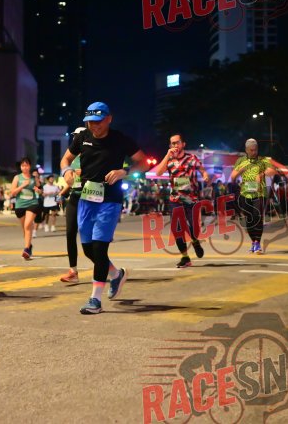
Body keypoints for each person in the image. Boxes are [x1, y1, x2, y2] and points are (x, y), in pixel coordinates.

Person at [60, 102, 148, 314]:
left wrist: (124, 171)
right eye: (90, 122)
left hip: (110, 200)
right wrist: (66, 171)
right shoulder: (81, 137)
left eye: (98, 121)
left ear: (109, 119)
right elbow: (66, 159)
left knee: (100, 248)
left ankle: (95, 300)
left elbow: (144, 162)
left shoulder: (120, 139)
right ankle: (116, 274)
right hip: (86, 199)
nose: (94, 126)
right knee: (89, 250)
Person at [153, 133, 210, 268]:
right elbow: (158, 173)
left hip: (191, 199)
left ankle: (195, 241)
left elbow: (202, 170)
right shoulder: (169, 160)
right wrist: (167, 155)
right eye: (172, 143)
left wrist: (205, 175)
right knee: (177, 229)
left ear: (183, 144)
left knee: (193, 228)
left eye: (177, 142)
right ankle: (185, 257)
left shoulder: (192, 158)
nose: (175, 145)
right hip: (175, 199)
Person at [230, 139, 288, 254]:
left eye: (256, 150)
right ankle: (253, 242)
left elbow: (273, 170)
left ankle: (257, 243)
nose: (254, 152)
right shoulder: (240, 161)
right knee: (249, 219)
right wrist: (240, 170)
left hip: (260, 193)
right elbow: (232, 177)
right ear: (246, 150)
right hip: (245, 193)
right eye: (251, 150)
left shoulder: (263, 160)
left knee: (257, 217)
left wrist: (262, 174)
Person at [57, 127, 86, 283]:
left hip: (90, 198)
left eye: (78, 136)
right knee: (70, 233)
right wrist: (62, 193)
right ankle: (73, 271)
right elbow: (71, 180)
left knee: (90, 238)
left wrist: (81, 172)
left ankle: (106, 268)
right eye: (74, 136)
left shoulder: (92, 153)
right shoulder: (72, 158)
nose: (75, 139)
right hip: (74, 197)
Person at [9, 157, 41, 259]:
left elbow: (40, 189)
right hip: (20, 205)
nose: (25, 167)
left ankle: (26, 249)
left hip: (32, 203)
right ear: (20, 167)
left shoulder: (34, 178)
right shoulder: (17, 178)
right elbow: (12, 192)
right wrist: (22, 185)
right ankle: (29, 245)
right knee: (25, 229)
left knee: (28, 225)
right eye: (23, 165)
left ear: (30, 166)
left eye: (26, 165)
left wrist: (38, 190)